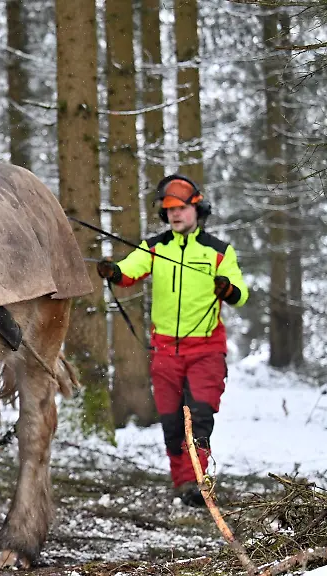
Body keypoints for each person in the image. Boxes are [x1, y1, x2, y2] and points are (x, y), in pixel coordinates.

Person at [96, 174, 248, 508]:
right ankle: (183, 483)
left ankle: (198, 481)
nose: (176, 214)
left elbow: (240, 293)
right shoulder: (154, 247)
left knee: (200, 417)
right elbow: (128, 271)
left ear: (197, 209)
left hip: (206, 349)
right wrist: (112, 272)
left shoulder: (219, 251)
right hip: (165, 349)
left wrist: (228, 288)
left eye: (182, 208)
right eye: (170, 209)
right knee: (172, 422)